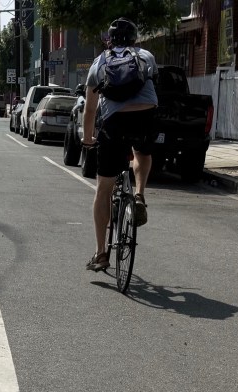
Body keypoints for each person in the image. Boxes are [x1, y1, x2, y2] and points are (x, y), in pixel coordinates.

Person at [81, 18, 159, 272]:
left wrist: (88, 138)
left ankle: (101, 253)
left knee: (103, 188)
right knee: (142, 151)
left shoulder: (99, 62)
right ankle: (139, 195)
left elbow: (90, 109)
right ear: (135, 39)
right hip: (146, 116)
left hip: (114, 123)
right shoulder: (146, 56)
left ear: (109, 40)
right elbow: (153, 86)